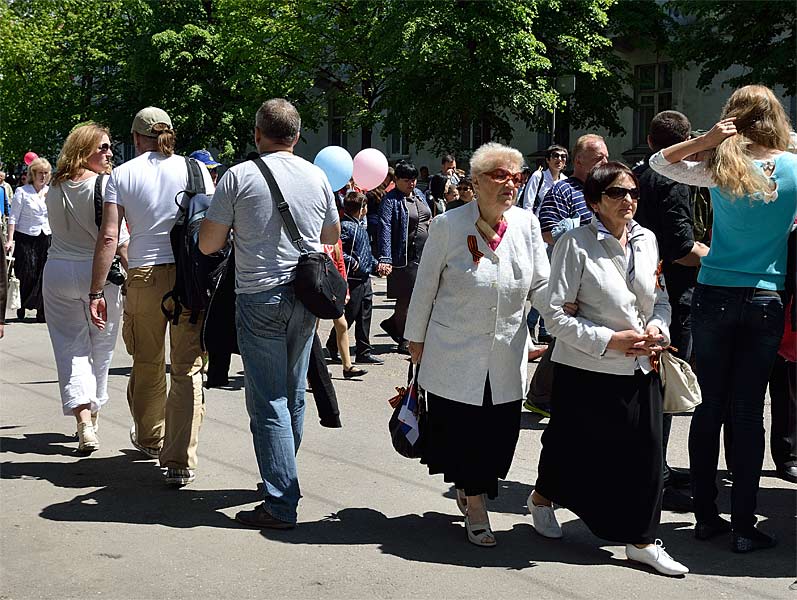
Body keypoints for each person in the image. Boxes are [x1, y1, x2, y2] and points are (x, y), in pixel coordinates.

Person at [649, 85, 797, 553]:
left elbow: (658, 163)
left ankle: (706, 516)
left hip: (714, 290)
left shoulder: (721, 165)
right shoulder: (794, 166)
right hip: (765, 295)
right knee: (749, 412)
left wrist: (707, 138)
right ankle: (744, 524)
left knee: (709, 405)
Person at [530, 161, 688, 576]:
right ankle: (543, 498)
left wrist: (658, 325)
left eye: (633, 193)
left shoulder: (647, 239)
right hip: (587, 370)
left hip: (641, 366)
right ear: (595, 201)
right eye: (618, 193)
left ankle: (641, 540)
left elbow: (661, 298)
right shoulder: (575, 244)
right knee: (572, 448)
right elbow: (554, 317)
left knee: (648, 454)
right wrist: (608, 340)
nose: (629, 201)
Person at [199, 98, 340, 529]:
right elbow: (331, 234)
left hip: (259, 295)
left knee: (269, 401)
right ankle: (281, 476)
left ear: (257, 133)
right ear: (297, 136)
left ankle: (280, 501)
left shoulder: (239, 176)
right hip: (306, 294)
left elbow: (208, 244)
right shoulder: (317, 176)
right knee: (294, 393)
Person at [405, 142, 549, 547]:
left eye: (516, 177)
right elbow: (425, 287)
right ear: (477, 181)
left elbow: (540, 283)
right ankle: (476, 503)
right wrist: (415, 338)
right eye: (500, 176)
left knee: (501, 435)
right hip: (455, 350)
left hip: (505, 350)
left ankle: (471, 491)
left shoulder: (526, 224)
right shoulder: (448, 225)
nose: (510, 185)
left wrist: (562, 318)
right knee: (465, 433)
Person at [89, 107, 214, 486]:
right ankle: (179, 460)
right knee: (188, 368)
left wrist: (96, 290)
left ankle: (150, 438)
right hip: (190, 277)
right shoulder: (198, 171)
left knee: (146, 361)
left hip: (143, 274)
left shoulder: (121, 175)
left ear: (137, 137)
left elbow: (110, 236)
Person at [633, 110, 711, 513]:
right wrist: (723, 258)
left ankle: (655, 466)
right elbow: (682, 249)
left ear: (649, 140)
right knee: (664, 386)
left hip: (643, 288)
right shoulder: (674, 177)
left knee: (653, 384)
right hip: (673, 294)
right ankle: (656, 476)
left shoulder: (642, 172)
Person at [43, 123, 129, 453]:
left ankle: (83, 420)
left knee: (70, 349)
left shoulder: (54, 186)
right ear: (84, 151)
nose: (109, 153)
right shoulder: (106, 185)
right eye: (103, 147)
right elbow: (116, 239)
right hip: (98, 273)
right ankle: (92, 419)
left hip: (59, 270)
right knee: (101, 350)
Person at [377, 160, 431, 354]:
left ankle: (394, 326)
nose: (412, 184)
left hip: (423, 254)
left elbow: (427, 217)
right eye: (407, 180)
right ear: (397, 179)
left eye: (414, 180)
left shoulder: (419, 195)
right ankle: (404, 338)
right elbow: (385, 228)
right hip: (403, 257)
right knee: (405, 299)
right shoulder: (390, 200)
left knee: (420, 298)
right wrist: (385, 258)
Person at [326, 191, 383, 365]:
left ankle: (363, 350)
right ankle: (333, 345)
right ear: (362, 208)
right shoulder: (347, 227)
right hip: (354, 279)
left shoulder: (360, 227)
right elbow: (338, 250)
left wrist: (375, 265)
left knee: (365, 315)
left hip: (365, 278)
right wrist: (354, 262)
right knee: (350, 314)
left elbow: (365, 252)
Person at [538, 134, 608, 246]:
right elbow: (548, 234)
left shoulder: (607, 192)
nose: (605, 163)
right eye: (599, 158)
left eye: (606, 157)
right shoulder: (562, 190)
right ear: (579, 161)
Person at [5, 157, 52, 322]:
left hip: (45, 236)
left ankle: (42, 309)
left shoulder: (50, 191)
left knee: (44, 273)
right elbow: (13, 218)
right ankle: (22, 305)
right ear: (33, 173)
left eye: (46, 173)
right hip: (25, 237)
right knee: (27, 273)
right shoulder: (22, 191)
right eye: (40, 173)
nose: (43, 176)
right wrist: (10, 239)